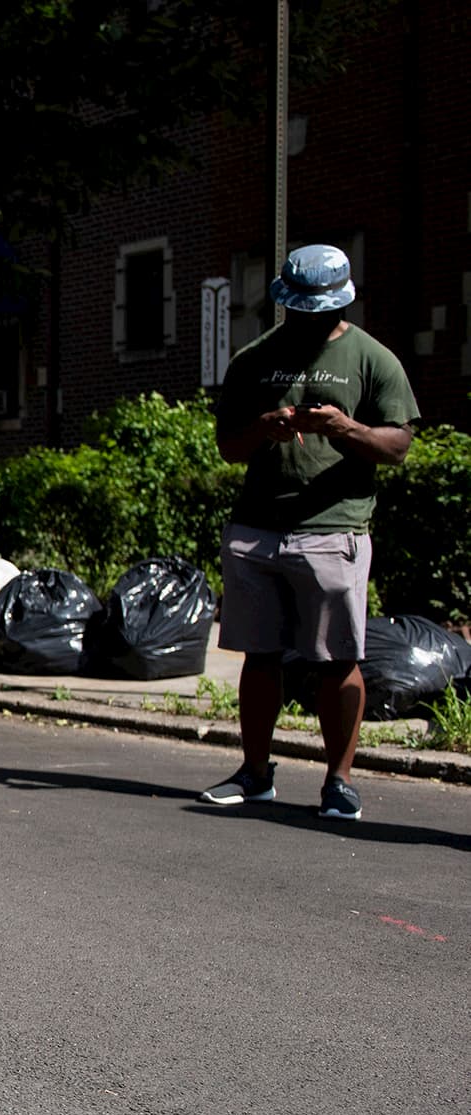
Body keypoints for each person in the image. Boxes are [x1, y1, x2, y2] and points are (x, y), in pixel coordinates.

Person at [199, 245, 419, 820]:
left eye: (316, 310)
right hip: (256, 529)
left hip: (333, 529)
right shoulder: (253, 360)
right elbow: (227, 448)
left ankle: (339, 782)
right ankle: (254, 774)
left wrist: (345, 428)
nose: (306, 318)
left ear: (342, 302)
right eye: (297, 309)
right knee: (260, 656)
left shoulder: (372, 358)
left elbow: (397, 445)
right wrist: (261, 428)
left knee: (336, 659)